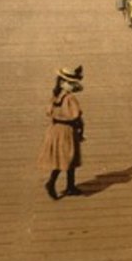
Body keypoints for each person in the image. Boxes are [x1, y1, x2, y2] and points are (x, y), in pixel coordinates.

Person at [37, 66, 86, 199]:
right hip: (67, 131)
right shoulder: (69, 98)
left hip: (55, 129)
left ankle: (71, 186)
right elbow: (76, 116)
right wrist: (80, 129)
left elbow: (50, 111)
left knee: (64, 157)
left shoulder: (56, 95)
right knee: (68, 158)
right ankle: (52, 182)